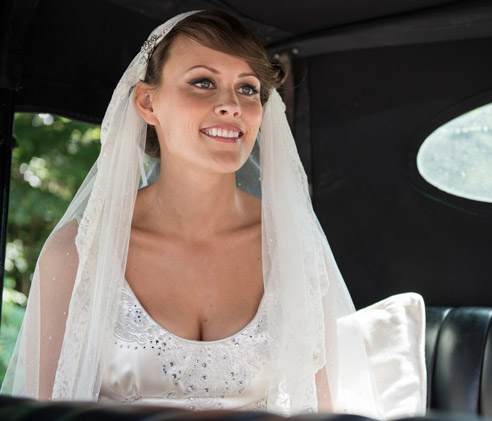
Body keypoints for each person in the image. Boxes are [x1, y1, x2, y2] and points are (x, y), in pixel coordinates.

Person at [1, 10, 426, 418]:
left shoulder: (294, 248)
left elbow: (320, 406)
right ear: (148, 103)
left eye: (247, 88)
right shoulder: (77, 254)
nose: (232, 105)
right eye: (203, 82)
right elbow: (46, 414)